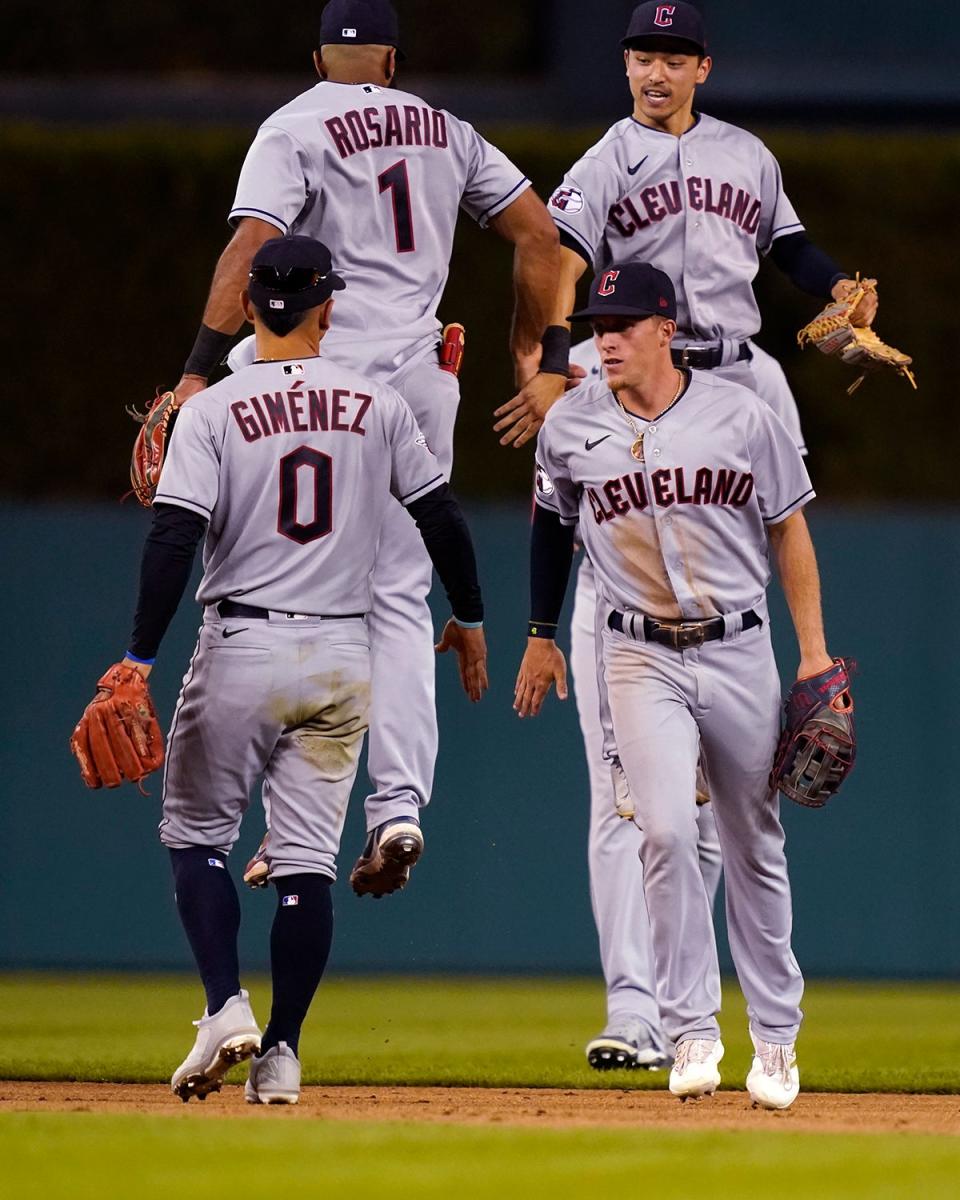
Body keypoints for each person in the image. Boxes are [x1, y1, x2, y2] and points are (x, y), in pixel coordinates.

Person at [497, 0, 875, 1070]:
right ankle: (643, 1011)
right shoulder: (607, 158)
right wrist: (564, 357)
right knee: (640, 799)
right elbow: (563, 258)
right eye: (639, 53)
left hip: (737, 369)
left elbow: (790, 247)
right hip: (638, 374)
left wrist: (839, 286)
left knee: (739, 798)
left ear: (702, 65)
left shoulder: (747, 157)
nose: (654, 69)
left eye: (671, 54)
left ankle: (786, 671)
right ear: (624, 65)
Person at [86, 234, 488, 1104]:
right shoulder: (379, 403)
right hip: (344, 654)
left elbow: (172, 536)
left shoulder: (214, 410)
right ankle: (283, 1054)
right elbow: (440, 515)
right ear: (329, 308)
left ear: (246, 309)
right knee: (305, 864)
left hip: (241, 643)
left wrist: (136, 658)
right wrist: (471, 613)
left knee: (196, 839)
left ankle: (225, 1005)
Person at [170, 0, 559, 897]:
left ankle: (288, 830)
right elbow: (538, 232)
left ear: (317, 57)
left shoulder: (294, 123)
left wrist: (197, 373)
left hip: (319, 381)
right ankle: (399, 806)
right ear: (391, 59)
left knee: (278, 592)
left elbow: (254, 244)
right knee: (397, 598)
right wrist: (532, 350)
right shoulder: (447, 128)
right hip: (418, 384)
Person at [516, 261, 837, 1111]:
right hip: (635, 653)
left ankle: (775, 1039)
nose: (605, 337)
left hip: (738, 645)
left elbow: (789, 531)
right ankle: (690, 1028)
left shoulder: (742, 414)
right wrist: (542, 636)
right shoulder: (571, 426)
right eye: (597, 323)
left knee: (752, 841)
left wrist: (813, 654)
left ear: (667, 329)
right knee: (661, 831)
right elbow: (551, 528)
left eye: (622, 322)